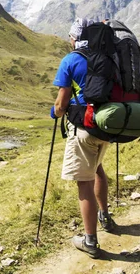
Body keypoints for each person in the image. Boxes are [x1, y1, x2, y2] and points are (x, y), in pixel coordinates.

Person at [50, 17, 116, 259]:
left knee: (84, 182)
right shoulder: (107, 58)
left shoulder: (71, 60)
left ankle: (90, 241)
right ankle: (105, 217)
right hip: (107, 125)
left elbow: (61, 103)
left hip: (84, 128)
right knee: (97, 170)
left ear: (75, 38)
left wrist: (55, 112)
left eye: (70, 36)